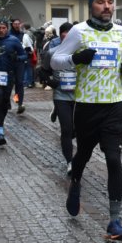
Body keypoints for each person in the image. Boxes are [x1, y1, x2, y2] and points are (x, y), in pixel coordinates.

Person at [52, 0, 122, 240]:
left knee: (114, 159)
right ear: (91, 6)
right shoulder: (79, 31)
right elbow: (55, 60)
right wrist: (76, 59)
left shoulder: (121, 32)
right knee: (83, 154)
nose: (107, 6)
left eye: (110, 2)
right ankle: (75, 182)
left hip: (114, 104)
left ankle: (115, 221)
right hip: (87, 105)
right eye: (100, 2)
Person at [0, 20, 25, 147]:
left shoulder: (13, 40)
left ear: (7, 29)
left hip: (8, 77)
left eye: (3, 27)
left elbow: (24, 55)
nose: (1, 30)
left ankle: (0, 128)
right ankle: (0, 131)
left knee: (3, 104)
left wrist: (17, 58)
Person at [47, 21, 76, 175]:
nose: (68, 37)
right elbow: (43, 72)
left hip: (79, 97)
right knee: (66, 129)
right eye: (65, 34)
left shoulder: (81, 53)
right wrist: (50, 82)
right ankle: (70, 162)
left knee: (76, 130)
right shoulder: (52, 52)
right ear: (60, 35)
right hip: (61, 96)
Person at [9, 18, 29, 113]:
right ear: (12, 24)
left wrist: (25, 53)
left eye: (18, 23)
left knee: (19, 83)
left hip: (19, 62)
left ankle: (19, 103)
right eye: (15, 24)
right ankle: (8, 102)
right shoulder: (8, 35)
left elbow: (28, 49)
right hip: (9, 63)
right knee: (9, 84)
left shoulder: (23, 35)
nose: (17, 25)